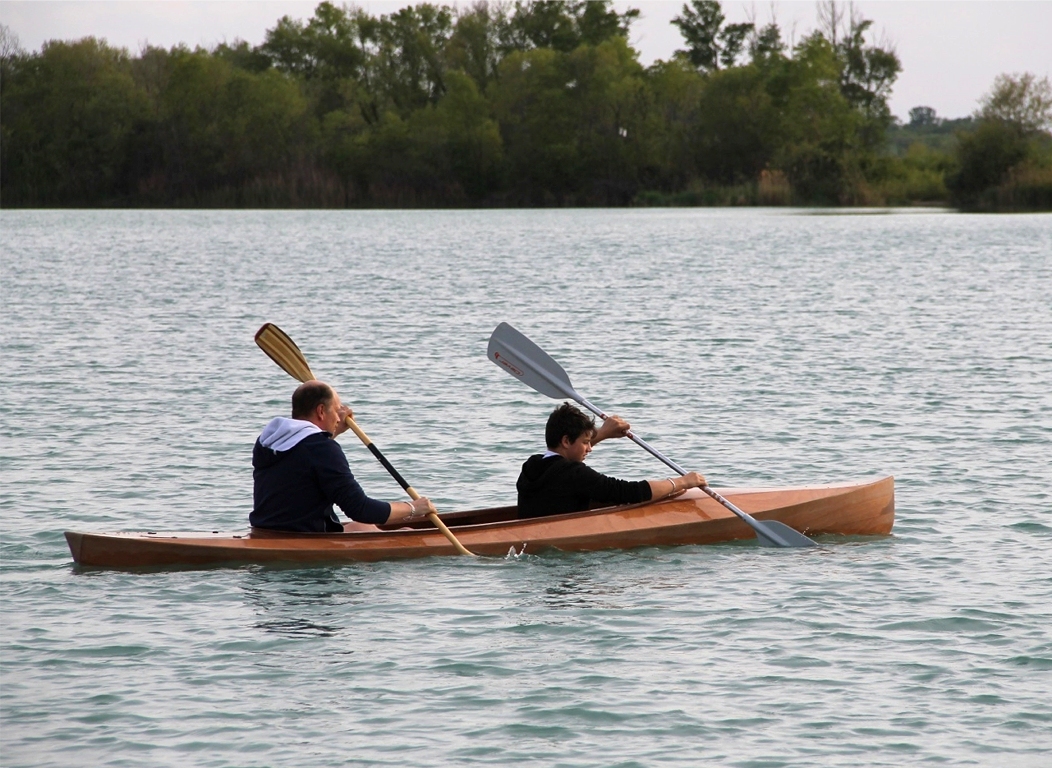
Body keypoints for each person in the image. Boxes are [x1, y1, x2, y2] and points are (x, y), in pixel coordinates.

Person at [251, 380, 437, 532]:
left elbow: (305, 456)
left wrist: (332, 433)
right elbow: (360, 509)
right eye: (336, 410)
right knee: (404, 533)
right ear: (321, 411)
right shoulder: (323, 449)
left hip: (264, 531)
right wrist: (413, 508)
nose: (340, 418)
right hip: (306, 537)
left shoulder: (269, 442)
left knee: (362, 528)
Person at [516, 402, 707, 519]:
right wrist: (682, 482)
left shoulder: (532, 466)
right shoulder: (575, 475)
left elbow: (564, 462)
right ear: (565, 441)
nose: (590, 448)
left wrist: (603, 433)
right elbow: (629, 492)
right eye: (585, 442)